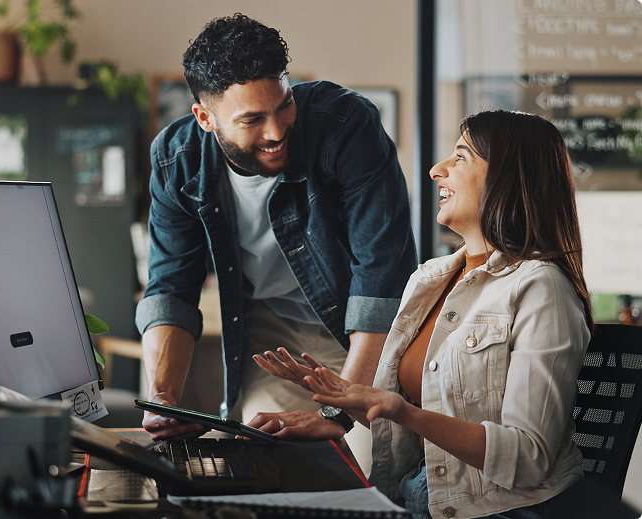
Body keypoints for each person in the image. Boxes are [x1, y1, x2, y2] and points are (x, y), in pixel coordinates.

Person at [251, 110, 594, 519]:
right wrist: (335, 403)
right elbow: (401, 412)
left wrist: (404, 411)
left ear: (507, 176)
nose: (436, 170)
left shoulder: (542, 289)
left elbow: (528, 457)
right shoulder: (430, 279)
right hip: (416, 496)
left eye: (461, 157)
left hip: (504, 510)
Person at [135, 11, 417, 454]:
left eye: (284, 104)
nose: (276, 131)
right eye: (251, 120)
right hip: (274, 340)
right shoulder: (176, 159)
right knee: (270, 459)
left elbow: (384, 278)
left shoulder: (346, 126)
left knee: (368, 472)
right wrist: (163, 396)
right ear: (205, 118)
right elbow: (171, 288)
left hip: (361, 330)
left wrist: (338, 412)